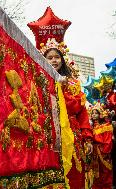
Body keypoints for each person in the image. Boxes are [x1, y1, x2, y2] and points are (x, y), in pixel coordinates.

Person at [40, 38, 93, 189]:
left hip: (72, 135)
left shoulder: (73, 83)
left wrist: (87, 138)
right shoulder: (40, 81)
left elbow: (81, 113)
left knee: (74, 175)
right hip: (48, 135)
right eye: (49, 58)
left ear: (62, 60)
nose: (54, 60)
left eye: (57, 57)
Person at [89, 105, 113, 189]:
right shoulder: (91, 127)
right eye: (93, 113)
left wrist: (104, 152)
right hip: (94, 154)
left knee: (105, 173)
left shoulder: (106, 126)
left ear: (100, 114)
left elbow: (108, 141)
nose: (94, 115)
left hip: (103, 153)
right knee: (95, 174)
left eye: (96, 113)